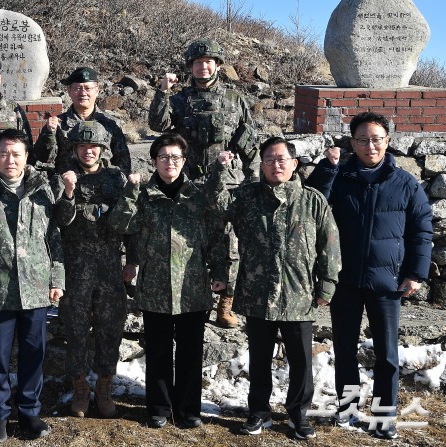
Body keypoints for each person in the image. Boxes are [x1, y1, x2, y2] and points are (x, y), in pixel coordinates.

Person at [305, 112, 433, 440]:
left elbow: (421, 230)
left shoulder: (405, 183)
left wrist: (415, 273)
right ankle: (347, 411)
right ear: (353, 143)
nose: (370, 145)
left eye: (376, 139)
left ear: (387, 141)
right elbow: (310, 204)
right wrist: (327, 168)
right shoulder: (340, 175)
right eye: (362, 139)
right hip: (344, 280)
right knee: (345, 349)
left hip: (387, 282)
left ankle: (383, 418)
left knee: (387, 355)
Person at [211, 137, 341, 440]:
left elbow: (329, 244)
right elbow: (217, 209)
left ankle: (298, 415)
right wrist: (220, 172)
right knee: (259, 359)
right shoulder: (246, 198)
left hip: (300, 293)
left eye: (281, 158)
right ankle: (259, 412)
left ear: (294, 164)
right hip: (258, 293)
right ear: (261, 165)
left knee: (300, 361)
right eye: (269, 159)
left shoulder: (312, 200)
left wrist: (328, 283)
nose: (276, 164)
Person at [109, 132, 225, 430]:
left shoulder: (197, 197)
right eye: (163, 157)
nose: (169, 163)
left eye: (175, 157)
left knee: (190, 353)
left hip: (192, 287)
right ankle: (159, 407)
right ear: (154, 161)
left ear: (184, 161)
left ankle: (188, 409)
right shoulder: (144, 195)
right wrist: (130, 192)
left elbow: (216, 236)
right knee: (159, 352)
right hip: (156, 288)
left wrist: (221, 274)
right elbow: (121, 224)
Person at [0, 129, 64, 443]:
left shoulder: (43, 189)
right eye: (3, 153)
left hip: (35, 288)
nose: (10, 159)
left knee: (34, 353)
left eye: (16, 153)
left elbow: (55, 238)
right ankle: (0, 416)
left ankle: (29, 412)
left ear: (26, 156)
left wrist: (57, 279)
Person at [148, 38, 259, 328]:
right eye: (197, 63)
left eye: (209, 62)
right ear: (190, 67)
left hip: (228, 181)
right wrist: (163, 92)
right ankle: (192, 296)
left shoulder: (235, 99)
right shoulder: (180, 99)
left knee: (229, 242)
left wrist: (254, 179)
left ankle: (226, 303)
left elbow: (250, 142)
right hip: (191, 183)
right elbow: (158, 125)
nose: (203, 67)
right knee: (191, 240)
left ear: (218, 66)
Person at [53, 121, 129, 418]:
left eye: (93, 146)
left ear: (103, 149)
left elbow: (130, 223)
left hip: (110, 266)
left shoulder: (116, 179)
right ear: (74, 149)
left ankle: (105, 388)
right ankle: (81, 389)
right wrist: (69, 191)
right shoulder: (63, 178)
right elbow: (60, 221)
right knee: (76, 331)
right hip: (76, 267)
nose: (88, 151)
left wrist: (132, 261)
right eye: (82, 146)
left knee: (110, 330)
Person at [34, 67, 131, 174]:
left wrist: (123, 185)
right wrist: (49, 134)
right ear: (69, 91)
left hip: (103, 186)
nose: (83, 93)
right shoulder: (57, 124)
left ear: (97, 90)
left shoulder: (110, 123)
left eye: (87, 88)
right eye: (78, 88)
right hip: (68, 186)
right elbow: (43, 158)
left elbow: (123, 161)